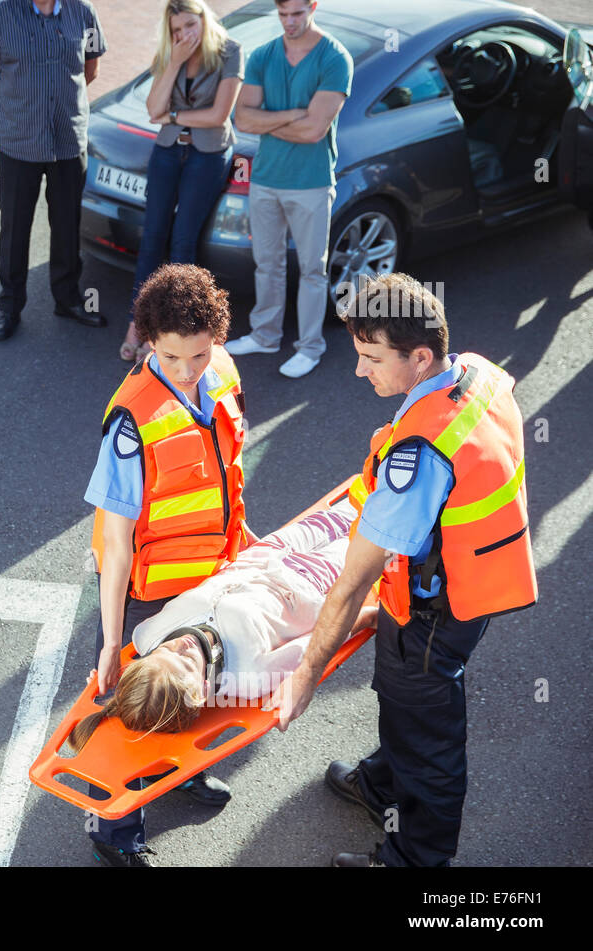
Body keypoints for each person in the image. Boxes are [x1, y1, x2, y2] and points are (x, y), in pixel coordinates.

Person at [271, 273, 537, 867]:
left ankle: (416, 861)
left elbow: (352, 583)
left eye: (371, 358)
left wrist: (307, 673)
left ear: (420, 357)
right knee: (400, 690)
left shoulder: (419, 457)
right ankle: (385, 785)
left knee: (428, 736)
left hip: (436, 613)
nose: (360, 371)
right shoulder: (476, 373)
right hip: (472, 581)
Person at [81, 262, 250, 866]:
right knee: (134, 714)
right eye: (173, 357)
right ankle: (114, 829)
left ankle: (181, 774)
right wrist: (110, 640)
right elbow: (118, 542)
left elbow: (224, 477)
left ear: (217, 341)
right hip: (146, 594)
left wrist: (242, 541)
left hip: (207, 578)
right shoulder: (132, 421)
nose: (188, 371)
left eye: (199, 355)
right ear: (150, 341)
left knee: (196, 690)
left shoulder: (222, 373)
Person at [67, 499, 364, 751]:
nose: (181, 645)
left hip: (270, 549)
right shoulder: (251, 675)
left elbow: (148, 669)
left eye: (166, 650)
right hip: (315, 579)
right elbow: (321, 640)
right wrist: (368, 616)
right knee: (374, 530)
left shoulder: (147, 635)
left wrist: (115, 676)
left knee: (352, 504)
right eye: (185, 662)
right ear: (202, 690)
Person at [226, 0, 352, 378]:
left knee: (312, 268)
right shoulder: (264, 54)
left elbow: (315, 130)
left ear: (313, 6)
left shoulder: (335, 58)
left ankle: (310, 347)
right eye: (283, 15)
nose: (290, 22)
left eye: (297, 13)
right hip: (266, 178)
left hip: (311, 183)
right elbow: (242, 118)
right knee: (267, 263)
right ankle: (265, 335)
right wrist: (292, 115)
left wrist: (266, 122)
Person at [0, 0, 108, 342]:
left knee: (67, 224)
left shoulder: (83, 12)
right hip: (19, 142)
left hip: (67, 138)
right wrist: (18, 109)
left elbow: (90, 69)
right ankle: (9, 307)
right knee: (15, 226)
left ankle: (67, 300)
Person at [120, 0, 243, 363]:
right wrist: (173, 62)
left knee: (183, 243)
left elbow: (219, 115)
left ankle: (172, 332)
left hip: (207, 156)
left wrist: (173, 114)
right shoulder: (169, 54)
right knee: (152, 237)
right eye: (176, 30)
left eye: (190, 25)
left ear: (204, 20)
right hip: (169, 152)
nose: (184, 35)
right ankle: (137, 326)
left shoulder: (230, 52)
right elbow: (151, 109)